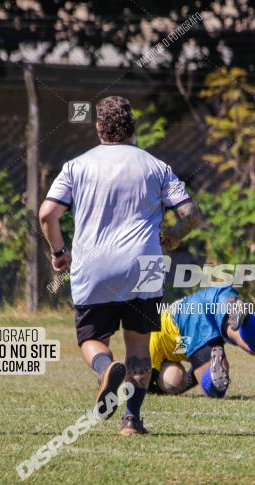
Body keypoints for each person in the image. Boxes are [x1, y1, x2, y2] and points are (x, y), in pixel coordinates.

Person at [39, 96, 200, 435]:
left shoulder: (76, 166)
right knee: (139, 344)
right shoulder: (156, 166)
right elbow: (189, 214)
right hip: (146, 261)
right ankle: (132, 420)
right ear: (133, 128)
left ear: (99, 127)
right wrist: (172, 237)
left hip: (93, 264)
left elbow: (46, 214)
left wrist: (58, 253)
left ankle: (106, 367)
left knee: (92, 337)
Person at [148, 286, 255, 399]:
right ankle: (244, 316)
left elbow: (144, 379)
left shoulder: (153, 343)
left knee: (215, 389)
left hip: (189, 316)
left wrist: (161, 389)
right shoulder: (170, 341)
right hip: (215, 295)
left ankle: (211, 375)